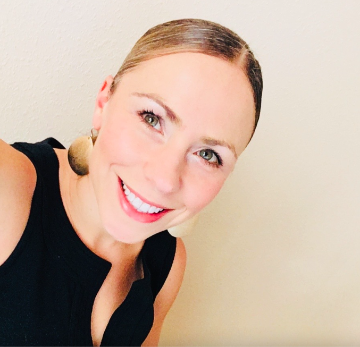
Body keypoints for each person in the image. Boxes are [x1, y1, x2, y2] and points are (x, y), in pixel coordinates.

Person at [0, 18, 262, 346]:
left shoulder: (167, 264)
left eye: (208, 155)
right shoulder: (7, 186)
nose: (164, 179)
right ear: (103, 103)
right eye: (152, 119)